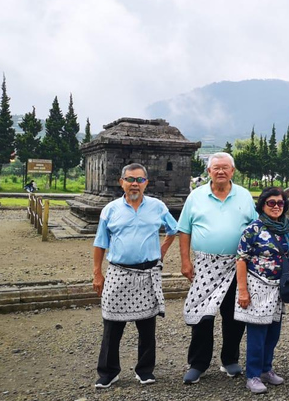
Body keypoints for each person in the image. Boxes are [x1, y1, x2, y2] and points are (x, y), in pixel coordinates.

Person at [92, 163, 178, 388]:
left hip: (148, 273)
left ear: (146, 183)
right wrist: (97, 274)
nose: (135, 184)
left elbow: (173, 229)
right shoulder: (110, 210)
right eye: (130, 179)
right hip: (118, 272)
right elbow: (100, 243)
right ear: (122, 182)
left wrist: (162, 250)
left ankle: (145, 370)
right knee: (112, 325)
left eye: (140, 180)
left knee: (147, 326)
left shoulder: (157, 207)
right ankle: (109, 372)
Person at [178, 152, 258, 384]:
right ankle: (198, 363)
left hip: (238, 264)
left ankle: (229, 359)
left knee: (234, 315)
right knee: (202, 314)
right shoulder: (196, 196)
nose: (221, 171)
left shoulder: (243, 195)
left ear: (233, 171)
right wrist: (185, 261)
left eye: (225, 167)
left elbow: (254, 229)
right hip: (205, 264)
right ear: (209, 171)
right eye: (216, 168)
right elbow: (184, 230)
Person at [234, 187, 289, 394]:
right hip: (257, 285)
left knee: (273, 332)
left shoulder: (287, 228)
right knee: (257, 333)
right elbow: (241, 260)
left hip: (279, 288)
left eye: (280, 203)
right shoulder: (253, 229)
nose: (276, 206)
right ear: (262, 205)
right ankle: (253, 375)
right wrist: (243, 291)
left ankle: (267, 368)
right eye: (271, 203)